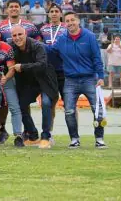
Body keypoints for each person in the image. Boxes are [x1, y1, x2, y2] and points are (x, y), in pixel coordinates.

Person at [46, 11, 107, 149]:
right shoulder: (61, 39)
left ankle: (99, 139)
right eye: (67, 21)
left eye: (72, 20)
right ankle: (74, 139)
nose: (70, 23)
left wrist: (101, 77)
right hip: (70, 81)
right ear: (64, 23)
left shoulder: (90, 37)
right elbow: (49, 51)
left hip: (89, 79)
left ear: (78, 21)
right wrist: (32, 43)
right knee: (69, 111)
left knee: (98, 110)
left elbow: (97, 57)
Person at [0, 0, 41, 144]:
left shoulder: (30, 26)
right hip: (7, 70)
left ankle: (27, 131)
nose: (14, 9)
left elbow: (38, 43)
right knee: (5, 103)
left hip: (24, 71)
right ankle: (2, 129)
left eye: (16, 6)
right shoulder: (1, 27)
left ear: (20, 9)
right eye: (11, 7)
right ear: (7, 10)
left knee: (23, 103)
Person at [10, 25, 59, 149]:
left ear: (25, 34)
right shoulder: (11, 47)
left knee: (46, 103)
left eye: (20, 34)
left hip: (45, 80)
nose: (17, 38)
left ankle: (46, 137)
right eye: (14, 35)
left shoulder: (38, 46)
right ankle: (32, 135)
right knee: (21, 105)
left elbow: (41, 65)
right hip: (29, 83)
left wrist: (22, 67)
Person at [40, 3, 68, 142]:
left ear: (61, 14)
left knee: (69, 104)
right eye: (52, 11)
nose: (54, 13)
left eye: (57, 11)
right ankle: (49, 133)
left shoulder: (67, 28)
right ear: (48, 14)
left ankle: (74, 134)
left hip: (64, 71)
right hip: (48, 72)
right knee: (49, 104)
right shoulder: (43, 29)